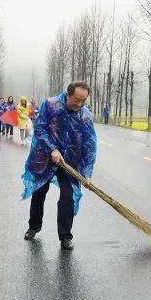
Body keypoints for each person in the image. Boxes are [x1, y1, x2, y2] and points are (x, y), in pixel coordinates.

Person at [21, 81, 97, 251]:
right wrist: (52, 149)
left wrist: (87, 173)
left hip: (69, 163)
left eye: (83, 101)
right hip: (45, 158)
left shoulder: (85, 115)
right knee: (39, 192)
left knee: (68, 197)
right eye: (76, 100)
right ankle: (34, 226)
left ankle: (65, 236)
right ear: (68, 94)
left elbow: (89, 145)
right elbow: (40, 129)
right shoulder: (51, 105)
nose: (79, 104)